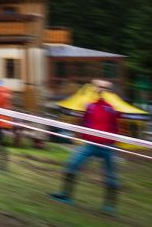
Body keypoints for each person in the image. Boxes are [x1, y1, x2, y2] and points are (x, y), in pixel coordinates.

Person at [49, 79, 120, 214]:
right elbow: (84, 123)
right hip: (90, 145)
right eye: (97, 88)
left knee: (111, 177)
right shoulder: (90, 106)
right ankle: (65, 195)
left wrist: (111, 142)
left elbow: (115, 127)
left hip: (106, 146)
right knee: (71, 165)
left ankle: (110, 207)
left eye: (101, 88)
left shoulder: (111, 108)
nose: (99, 90)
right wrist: (83, 135)